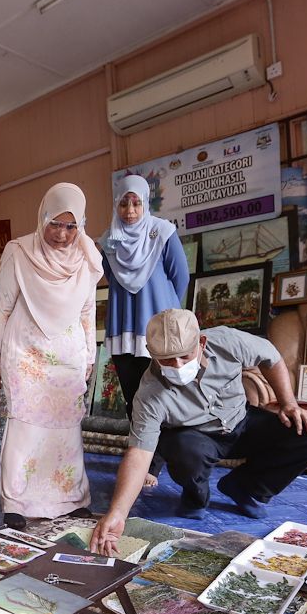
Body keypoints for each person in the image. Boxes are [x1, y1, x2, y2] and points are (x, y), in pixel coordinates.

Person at [90, 309, 307, 555]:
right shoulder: (149, 393)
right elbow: (139, 453)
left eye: (185, 356)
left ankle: (245, 487)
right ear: (152, 353)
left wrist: (289, 404)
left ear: (201, 343)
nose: (178, 366)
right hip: (195, 438)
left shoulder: (228, 341)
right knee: (183, 448)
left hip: (241, 420)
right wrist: (117, 513)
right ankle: (195, 495)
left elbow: (272, 358)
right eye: (167, 360)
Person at [0, 183, 103, 529]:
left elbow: (88, 312)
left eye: (71, 226)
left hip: (68, 359)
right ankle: (17, 501)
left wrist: (89, 355)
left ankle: (72, 498)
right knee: (26, 429)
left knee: (66, 432)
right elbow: (1, 309)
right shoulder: (19, 252)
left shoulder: (87, 258)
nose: (62, 234)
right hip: (25, 357)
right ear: (43, 217)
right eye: (55, 224)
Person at [98, 173, 189, 486]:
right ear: (117, 205)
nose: (130, 211)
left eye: (136, 203)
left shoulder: (162, 232)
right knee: (133, 398)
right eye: (124, 204)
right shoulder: (109, 241)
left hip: (158, 329)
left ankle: (157, 463)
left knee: (162, 394)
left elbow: (180, 277)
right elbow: (110, 278)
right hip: (123, 329)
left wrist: (167, 312)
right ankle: (142, 459)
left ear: (145, 203)